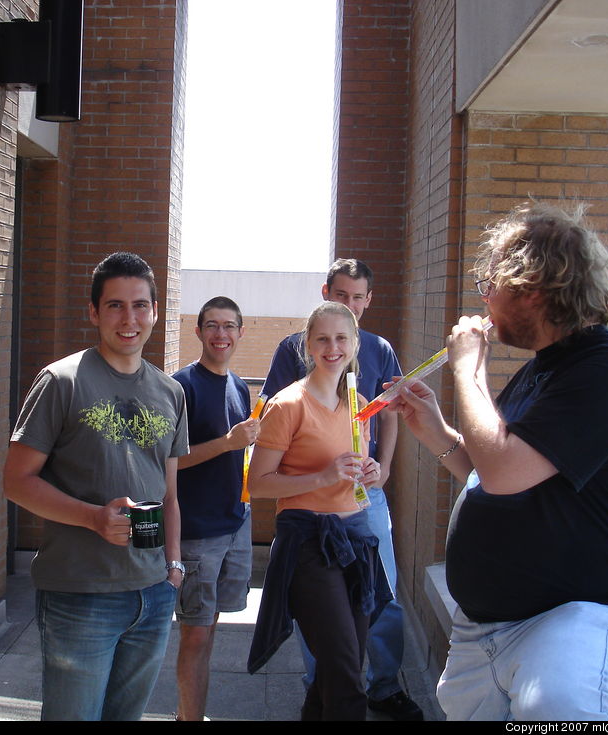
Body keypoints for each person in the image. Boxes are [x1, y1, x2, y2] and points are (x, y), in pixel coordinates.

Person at [386, 201, 608, 721]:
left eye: (489, 286)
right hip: (488, 630)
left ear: (530, 287)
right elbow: (499, 477)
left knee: (556, 708)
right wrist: (438, 433)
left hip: (572, 620)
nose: (484, 301)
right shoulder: (547, 371)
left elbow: (504, 471)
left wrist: (468, 370)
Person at [3, 251, 189, 721]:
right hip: (80, 596)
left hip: (152, 593)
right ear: (93, 312)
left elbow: (169, 495)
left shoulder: (170, 392)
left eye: (140, 305)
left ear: (155, 312)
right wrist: (92, 517)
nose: (129, 319)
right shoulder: (61, 381)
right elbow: (15, 481)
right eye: (115, 306)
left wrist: (173, 570)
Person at [261, 259, 422, 721]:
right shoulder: (294, 362)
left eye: (357, 297)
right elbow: (271, 426)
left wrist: (384, 467)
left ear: (368, 301)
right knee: (324, 613)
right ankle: (328, 682)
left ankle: (384, 686)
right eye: (340, 295)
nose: (348, 305)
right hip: (310, 515)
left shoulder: (378, 350)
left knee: (379, 595)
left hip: (362, 499)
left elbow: (388, 413)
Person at [247, 301, 390, 720]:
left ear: (355, 343)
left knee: (339, 667)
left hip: (357, 539)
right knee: (347, 677)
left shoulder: (359, 403)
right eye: (323, 339)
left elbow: (360, 477)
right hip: (309, 543)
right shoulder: (287, 405)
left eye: (341, 338)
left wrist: (370, 471)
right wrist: (323, 477)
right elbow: (258, 484)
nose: (333, 347)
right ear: (307, 345)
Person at [171, 296, 258, 721]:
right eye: (212, 326)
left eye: (228, 326)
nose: (220, 334)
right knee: (195, 636)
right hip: (197, 532)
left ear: (242, 332)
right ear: (198, 331)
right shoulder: (181, 386)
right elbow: (169, 459)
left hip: (236, 524)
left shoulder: (239, 385)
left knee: (210, 629)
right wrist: (228, 442)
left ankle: (193, 714)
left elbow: (238, 455)